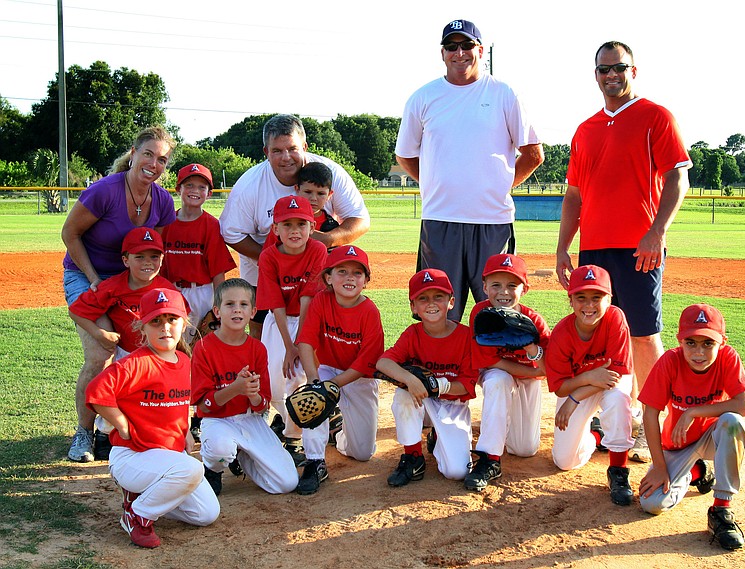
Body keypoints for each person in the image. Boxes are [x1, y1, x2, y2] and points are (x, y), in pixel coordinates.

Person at [554, 41, 692, 462]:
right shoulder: (586, 129)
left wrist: (656, 232)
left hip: (638, 247)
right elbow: (573, 197)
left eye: (619, 68)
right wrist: (563, 248)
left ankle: (658, 418)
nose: (611, 75)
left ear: (634, 70)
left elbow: (677, 179)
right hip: (594, 247)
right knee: (601, 331)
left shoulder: (656, 116)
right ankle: (617, 417)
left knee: (644, 334)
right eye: (603, 70)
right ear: (595, 74)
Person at [395, 19, 544, 321]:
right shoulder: (423, 97)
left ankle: (498, 371)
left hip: (492, 220)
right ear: (442, 53)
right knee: (437, 313)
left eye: (466, 45)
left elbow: (533, 153)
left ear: (480, 50)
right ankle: (443, 370)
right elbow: (405, 156)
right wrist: (435, 183)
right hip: (440, 219)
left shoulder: (504, 93)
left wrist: (500, 185)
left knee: (499, 311)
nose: (459, 52)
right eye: (451, 46)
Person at [62, 125, 177, 463]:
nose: (154, 164)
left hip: (129, 278)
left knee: (142, 348)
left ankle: (124, 426)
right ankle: (83, 433)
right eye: (148, 154)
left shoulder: (162, 200)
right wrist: (94, 278)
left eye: (162, 160)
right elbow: (70, 233)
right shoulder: (105, 191)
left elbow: (154, 251)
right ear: (134, 153)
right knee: (100, 352)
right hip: (86, 273)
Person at [85, 288, 219, 549]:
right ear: (141, 326)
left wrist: (185, 431)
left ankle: (144, 501)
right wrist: (121, 424)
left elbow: (177, 402)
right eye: (155, 321)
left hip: (165, 458)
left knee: (206, 514)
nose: (165, 327)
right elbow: (95, 393)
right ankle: (137, 516)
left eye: (172, 319)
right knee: (192, 468)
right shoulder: (136, 363)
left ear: (184, 323)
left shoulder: (183, 359)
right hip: (133, 457)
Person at [219, 114, 370, 338]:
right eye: (277, 151)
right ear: (266, 152)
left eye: (292, 148)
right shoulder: (250, 185)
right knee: (263, 332)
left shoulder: (328, 173)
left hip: (316, 271)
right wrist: (272, 259)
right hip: (264, 273)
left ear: (305, 147)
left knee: (322, 330)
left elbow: (360, 220)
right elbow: (231, 232)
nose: (286, 157)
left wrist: (326, 239)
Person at [638, 303, 745, 550]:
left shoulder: (728, 357)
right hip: (678, 444)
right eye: (691, 343)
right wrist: (658, 466)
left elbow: (742, 405)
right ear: (680, 342)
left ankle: (721, 510)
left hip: (713, 438)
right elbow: (650, 415)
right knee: (651, 503)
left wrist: (694, 412)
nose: (698, 352)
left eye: (707, 343)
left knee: (732, 422)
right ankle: (696, 472)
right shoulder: (670, 361)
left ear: (722, 342)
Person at [69, 227, 183, 460]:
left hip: (156, 357)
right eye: (139, 256)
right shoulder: (113, 286)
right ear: (125, 260)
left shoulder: (166, 289)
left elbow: (180, 321)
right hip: (125, 355)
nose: (147, 262)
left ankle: (153, 435)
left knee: (150, 401)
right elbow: (77, 311)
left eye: (154, 256)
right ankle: (104, 434)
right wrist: (100, 334)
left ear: (163, 259)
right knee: (118, 398)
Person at [191, 278, 299, 497]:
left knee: (286, 483)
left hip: (249, 419)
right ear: (217, 311)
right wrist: (236, 388)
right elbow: (205, 406)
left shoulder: (257, 348)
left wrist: (253, 396)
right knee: (220, 450)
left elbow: (263, 406)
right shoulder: (204, 347)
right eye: (229, 304)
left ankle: (244, 456)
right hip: (217, 420)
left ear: (253, 312)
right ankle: (213, 468)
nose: (237, 310)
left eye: (243, 305)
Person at [295, 245, 384, 495]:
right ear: (328, 278)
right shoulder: (322, 301)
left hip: (358, 377)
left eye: (357, 273)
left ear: (366, 280)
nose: (349, 278)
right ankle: (314, 461)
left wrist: (331, 387)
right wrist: (315, 381)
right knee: (313, 399)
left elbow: (365, 363)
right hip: (327, 369)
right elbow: (306, 342)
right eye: (342, 271)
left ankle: (339, 435)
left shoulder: (369, 311)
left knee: (363, 453)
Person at [544, 265, 636, 506]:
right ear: (571, 300)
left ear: (609, 299)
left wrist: (575, 398)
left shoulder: (615, 317)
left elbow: (614, 374)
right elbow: (560, 387)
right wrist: (588, 378)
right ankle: (597, 434)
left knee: (617, 399)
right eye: (581, 297)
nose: (589, 305)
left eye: (597, 297)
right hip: (581, 384)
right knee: (564, 462)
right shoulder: (562, 334)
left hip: (609, 382)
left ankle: (618, 470)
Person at [376, 269, 477, 487]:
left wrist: (439, 386)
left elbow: (467, 385)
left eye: (438, 297)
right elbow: (383, 362)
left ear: (451, 302)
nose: (431, 303)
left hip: (452, 404)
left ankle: (438, 437)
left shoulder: (466, 336)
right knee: (402, 395)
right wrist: (410, 380)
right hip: (420, 401)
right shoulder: (413, 334)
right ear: (414, 307)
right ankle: (413, 457)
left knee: (456, 472)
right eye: (423, 298)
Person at [465, 254, 550, 492]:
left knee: (524, 449)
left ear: (525, 289)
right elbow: (490, 363)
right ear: (484, 287)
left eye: (512, 285)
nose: (504, 292)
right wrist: (529, 370)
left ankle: (595, 434)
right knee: (499, 381)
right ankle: (490, 458)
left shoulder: (534, 321)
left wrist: (531, 348)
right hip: (498, 374)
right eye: (496, 285)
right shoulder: (481, 314)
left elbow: (546, 371)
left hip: (530, 379)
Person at [256, 195, 327, 464]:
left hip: (309, 321)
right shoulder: (269, 256)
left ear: (312, 226)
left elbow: (308, 297)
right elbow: (275, 304)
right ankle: (284, 420)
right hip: (279, 323)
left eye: (301, 224)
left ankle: (293, 437)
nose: (295, 231)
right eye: (287, 225)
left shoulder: (317, 250)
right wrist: (289, 346)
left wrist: (300, 345)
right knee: (275, 379)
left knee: (300, 377)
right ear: (276, 229)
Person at [161, 163, 236, 344]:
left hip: (202, 293)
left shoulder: (211, 225)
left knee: (202, 347)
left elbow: (218, 271)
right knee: (171, 344)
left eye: (202, 187)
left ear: (209, 193)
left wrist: (218, 306)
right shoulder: (166, 223)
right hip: (171, 290)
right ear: (179, 189)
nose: (195, 191)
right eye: (189, 185)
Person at [294, 161, 341, 236]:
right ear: (297, 189)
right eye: (308, 192)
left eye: (321, 193)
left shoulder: (331, 227)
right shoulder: (285, 221)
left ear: (329, 195)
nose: (313, 198)